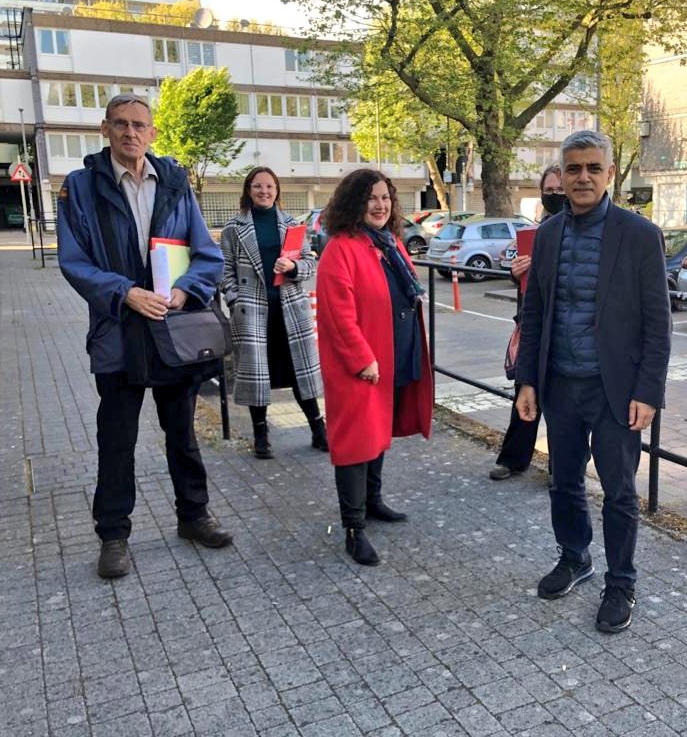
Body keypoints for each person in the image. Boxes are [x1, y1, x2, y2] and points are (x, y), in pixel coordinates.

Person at [58, 93, 233, 579]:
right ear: (105, 129)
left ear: (152, 133)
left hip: (171, 331)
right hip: (118, 332)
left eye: (139, 125)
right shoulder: (81, 188)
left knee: (181, 432)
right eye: (120, 124)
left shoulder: (176, 184)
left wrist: (182, 292)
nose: (130, 133)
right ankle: (113, 535)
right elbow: (73, 262)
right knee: (116, 438)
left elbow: (207, 256)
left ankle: (193, 516)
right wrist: (125, 293)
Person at [515, 130, 671, 633]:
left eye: (592, 168)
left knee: (620, 491)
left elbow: (657, 322)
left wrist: (649, 391)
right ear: (561, 176)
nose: (583, 177)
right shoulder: (549, 234)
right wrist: (527, 382)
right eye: (574, 168)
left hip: (617, 392)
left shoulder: (640, 236)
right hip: (559, 383)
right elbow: (534, 311)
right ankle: (574, 557)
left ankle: (621, 581)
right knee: (563, 480)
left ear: (609, 175)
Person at [316, 169, 433, 566]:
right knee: (354, 443)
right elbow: (337, 315)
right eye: (371, 199)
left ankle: (373, 501)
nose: (380, 205)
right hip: (361, 362)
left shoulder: (389, 242)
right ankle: (353, 529)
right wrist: (361, 358)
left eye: (385, 197)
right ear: (354, 203)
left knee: (378, 429)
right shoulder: (341, 248)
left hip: (393, 351)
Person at [220, 167, 326, 459]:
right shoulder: (233, 228)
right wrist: (234, 299)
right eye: (258, 186)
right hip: (252, 310)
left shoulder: (292, 225)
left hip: (289, 307)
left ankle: (318, 430)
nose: (264, 191)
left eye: (269, 186)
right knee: (258, 374)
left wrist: (293, 268)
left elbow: (309, 263)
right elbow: (224, 271)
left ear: (277, 190)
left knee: (299, 371)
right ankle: (261, 436)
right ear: (248, 190)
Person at [489, 164, 564, 481]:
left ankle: (561, 468)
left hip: (565, 327)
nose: (555, 195)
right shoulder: (537, 230)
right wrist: (515, 271)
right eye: (549, 190)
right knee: (525, 391)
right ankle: (514, 459)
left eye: (560, 190)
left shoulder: (579, 230)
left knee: (563, 405)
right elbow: (521, 283)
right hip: (533, 325)